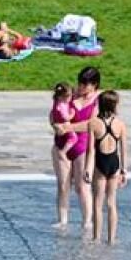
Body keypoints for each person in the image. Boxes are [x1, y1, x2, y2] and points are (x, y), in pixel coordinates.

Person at [51, 66, 102, 235]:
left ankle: (87, 221)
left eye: (85, 85)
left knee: (82, 187)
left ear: (94, 85)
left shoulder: (98, 101)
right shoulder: (70, 94)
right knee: (63, 184)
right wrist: (55, 125)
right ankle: (62, 220)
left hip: (83, 145)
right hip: (62, 143)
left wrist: (69, 127)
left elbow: (92, 124)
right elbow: (54, 112)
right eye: (80, 83)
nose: (81, 87)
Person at [85, 90, 128, 244]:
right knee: (111, 203)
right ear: (115, 105)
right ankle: (111, 239)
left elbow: (90, 150)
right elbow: (123, 149)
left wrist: (87, 169)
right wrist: (124, 170)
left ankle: (96, 238)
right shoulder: (120, 124)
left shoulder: (93, 123)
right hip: (114, 164)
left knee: (98, 203)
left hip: (100, 164)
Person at [49, 82, 76, 227]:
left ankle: (66, 219)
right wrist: (71, 114)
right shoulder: (60, 106)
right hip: (64, 137)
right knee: (63, 184)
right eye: (67, 96)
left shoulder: (59, 103)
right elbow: (60, 117)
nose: (69, 99)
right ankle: (62, 219)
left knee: (70, 185)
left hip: (68, 139)